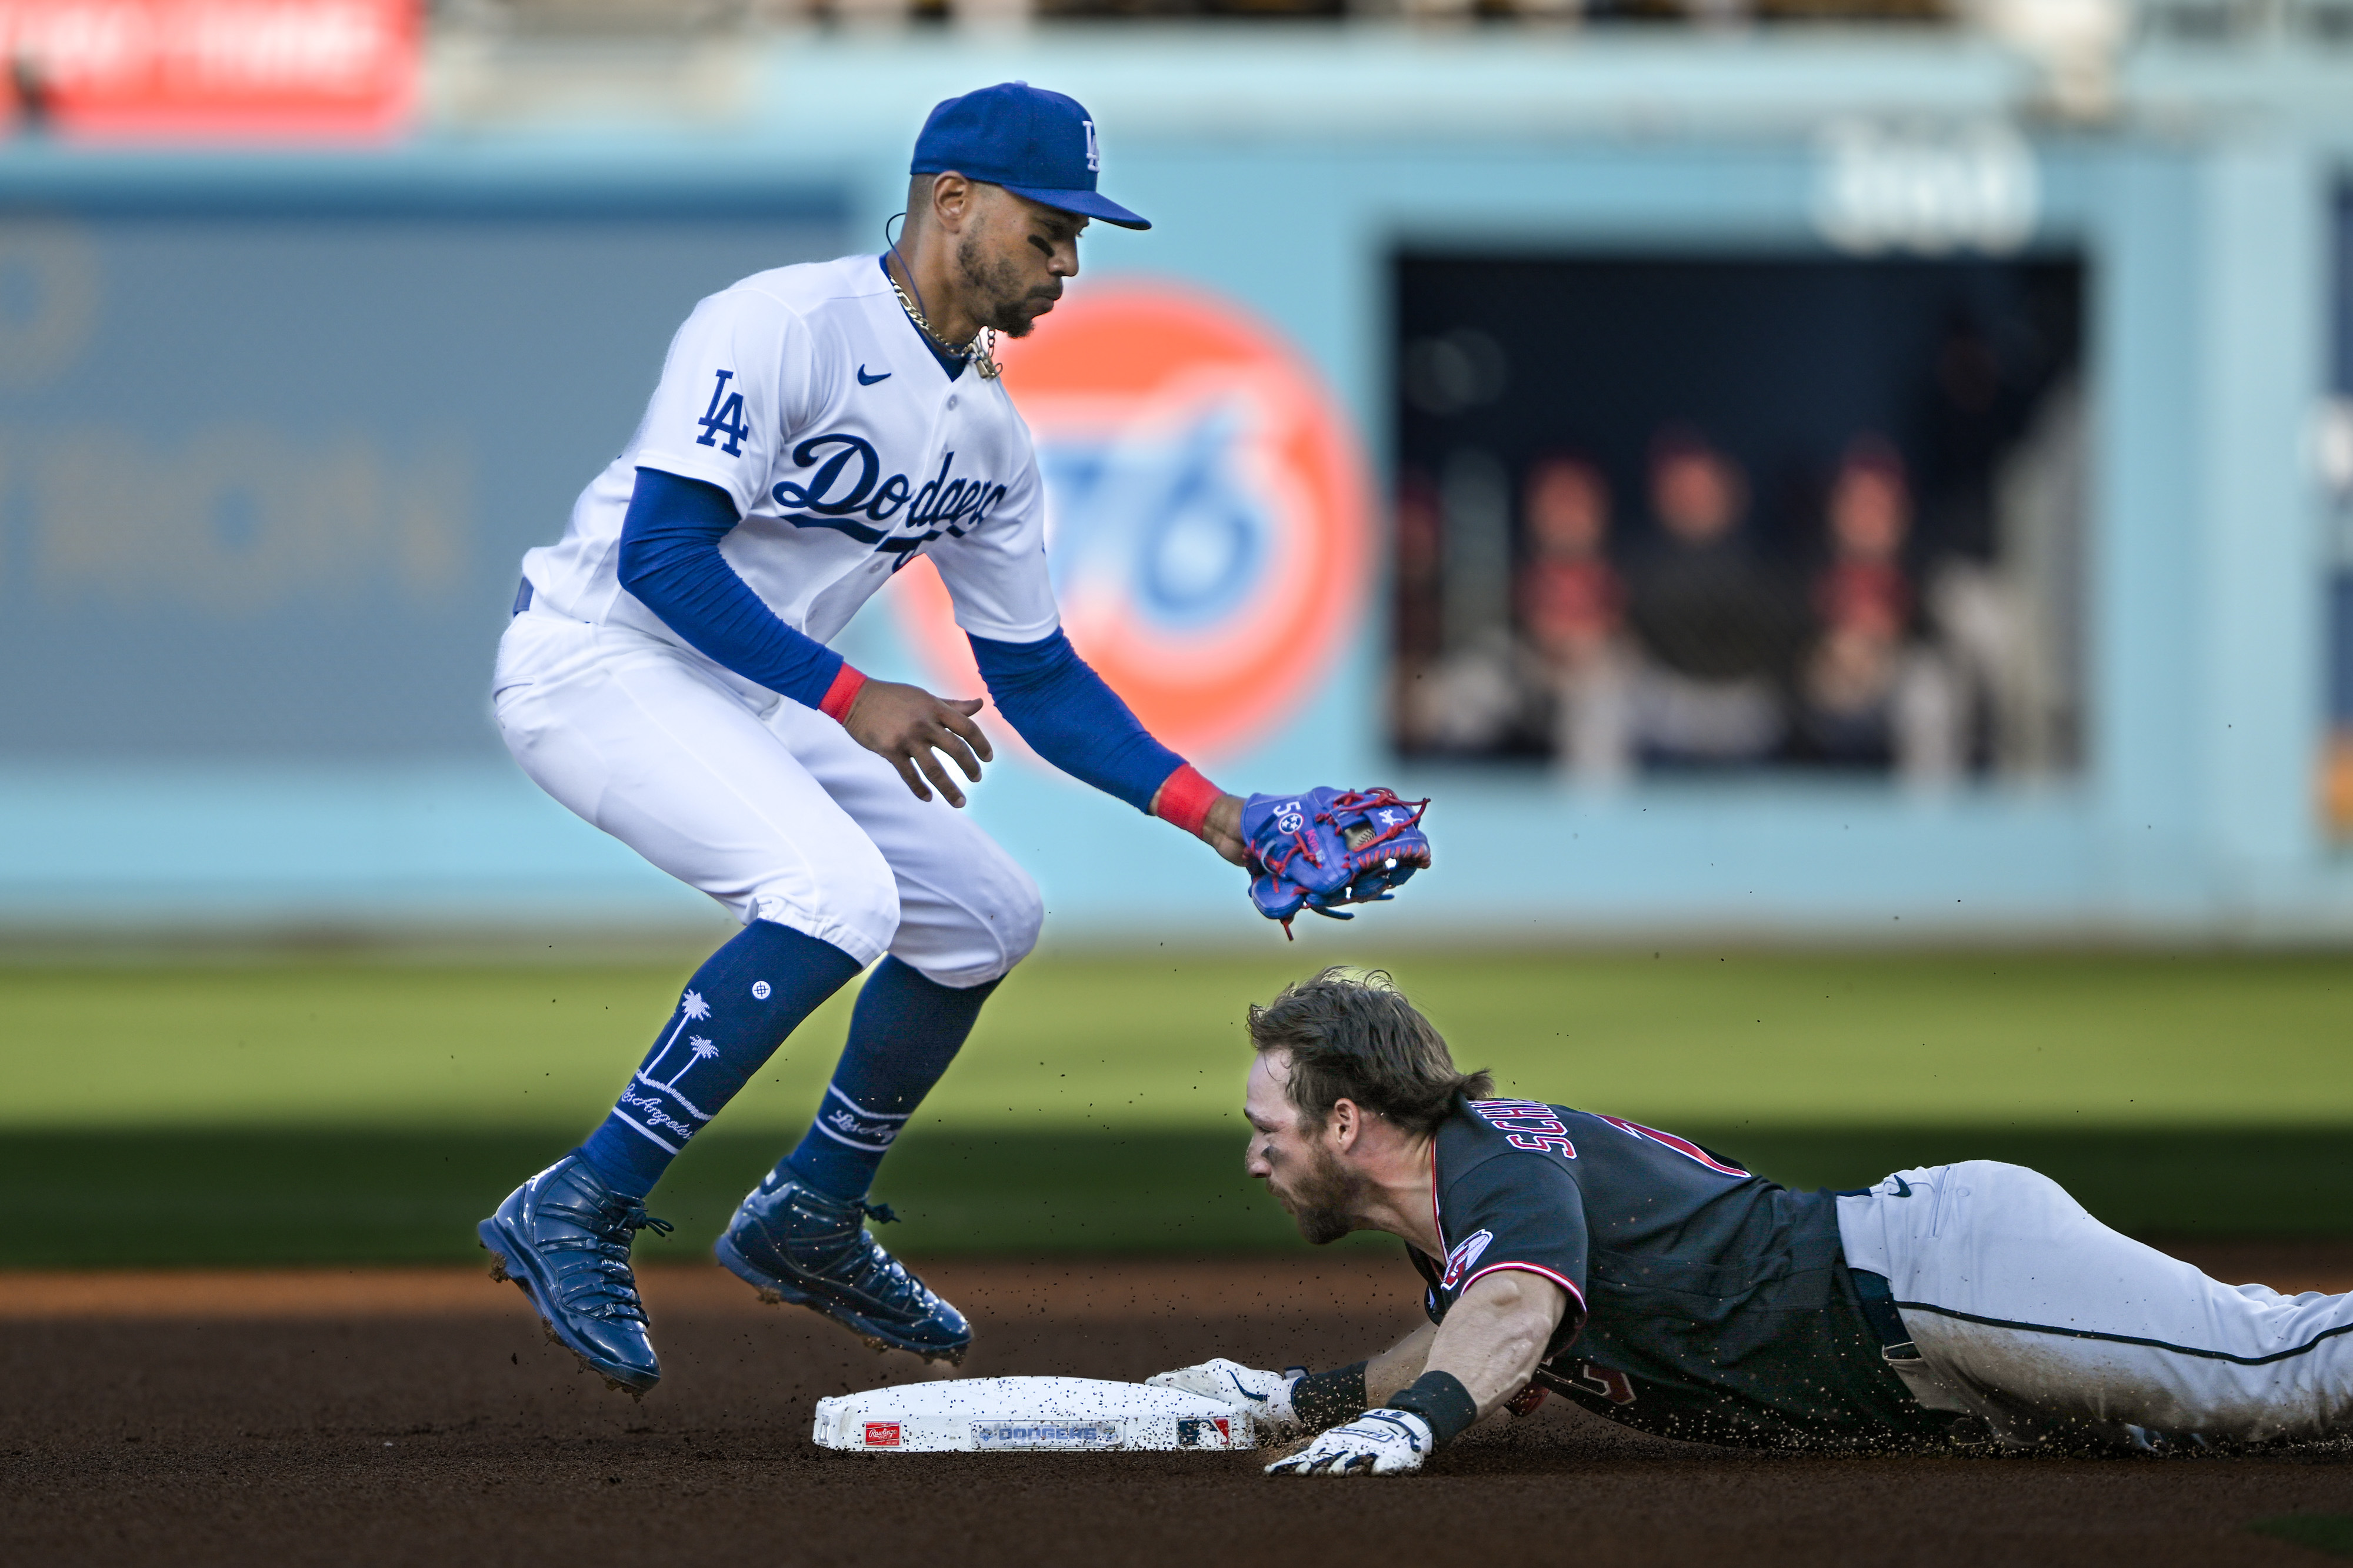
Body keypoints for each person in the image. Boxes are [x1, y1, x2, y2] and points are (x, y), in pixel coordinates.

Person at [478, 83, 1253, 1396]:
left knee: (988, 913)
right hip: (597, 660)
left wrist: (1222, 818)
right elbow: (660, 558)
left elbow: (1038, 678)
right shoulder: (783, 324)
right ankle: (582, 1199)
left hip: (751, 691)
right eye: (1048, 229)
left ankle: (809, 1211)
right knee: (834, 893)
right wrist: (854, 697)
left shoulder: (991, 433)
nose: (1067, 263)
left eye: (1078, 240)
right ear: (949, 201)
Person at [1152, 970, 2353, 1473]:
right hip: (1929, 1356)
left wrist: (1411, 1429)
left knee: (2266, 1375)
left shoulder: (1494, 1161)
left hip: (1935, 1275)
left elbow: (1514, 1312)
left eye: (1271, 1125)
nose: (1253, 1154)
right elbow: (1472, 1331)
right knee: (2229, 1438)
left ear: (1350, 1121)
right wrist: (1303, 1398)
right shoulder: (1461, 1217)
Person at [1622, 429, 1800, 764]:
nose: (1693, 500)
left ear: (1731, 492)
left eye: (1703, 488)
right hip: (1665, 704)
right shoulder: (1635, 565)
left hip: (1749, 705)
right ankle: (1597, 814)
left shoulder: (1768, 567)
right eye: (1682, 489)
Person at [1797, 438, 1962, 780]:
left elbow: (1944, 647)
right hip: (1827, 695)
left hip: (1893, 689)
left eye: (1880, 505)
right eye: (1857, 503)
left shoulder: (1925, 574)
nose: (1868, 517)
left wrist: (1890, 635)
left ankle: (1929, 822)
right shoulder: (1807, 571)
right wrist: (1832, 648)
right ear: (1835, 510)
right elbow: (1785, 643)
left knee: (1927, 686)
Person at [1514, 456, 1633, 783]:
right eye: (1555, 500)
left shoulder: (1630, 583)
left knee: (1601, 694)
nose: (1566, 514)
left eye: (1577, 501)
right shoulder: (1503, 587)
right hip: (1525, 681)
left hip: (1602, 694)